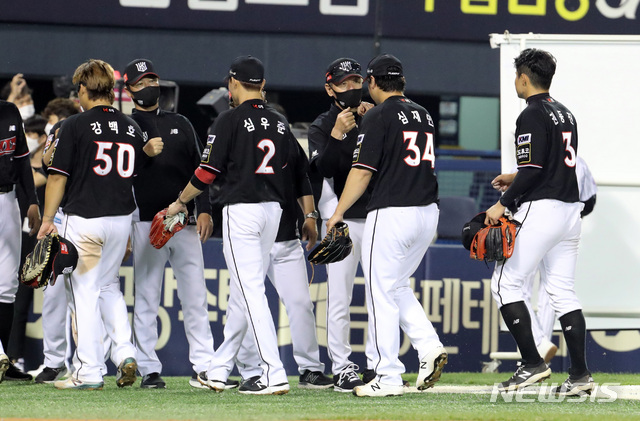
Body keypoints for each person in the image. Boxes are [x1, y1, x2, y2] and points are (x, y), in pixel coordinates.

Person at [165, 55, 306, 395]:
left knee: (250, 292)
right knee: (246, 292)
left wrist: (181, 200)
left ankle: (273, 372)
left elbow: (206, 173)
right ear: (263, 85)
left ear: (234, 82)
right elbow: (292, 171)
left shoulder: (227, 120)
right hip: (273, 210)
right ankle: (219, 369)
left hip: (242, 210)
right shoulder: (279, 123)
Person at [326, 53, 448, 397]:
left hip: (394, 212)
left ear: (372, 83)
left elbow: (362, 171)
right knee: (394, 286)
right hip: (428, 213)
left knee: (380, 292)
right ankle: (427, 346)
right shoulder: (423, 113)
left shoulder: (378, 116)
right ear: (403, 82)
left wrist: (337, 213)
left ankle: (387, 375)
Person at [485, 48, 593, 395]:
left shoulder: (531, 114)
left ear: (524, 77)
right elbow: (549, 165)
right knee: (563, 292)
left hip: (542, 209)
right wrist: (514, 176)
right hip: (569, 212)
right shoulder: (566, 113)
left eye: (517, 74)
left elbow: (533, 170)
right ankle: (580, 376)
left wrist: (503, 203)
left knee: (504, 284)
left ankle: (532, 363)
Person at [37, 59, 147, 390]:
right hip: (121, 218)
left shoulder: (74, 125)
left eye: (79, 89)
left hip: (85, 219)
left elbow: (56, 176)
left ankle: (89, 370)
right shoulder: (132, 127)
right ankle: (126, 352)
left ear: (84, 89)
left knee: (84, 293)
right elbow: (132, 180)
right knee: (109, 286)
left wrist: (46, 220)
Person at [121, 58, 221, 390]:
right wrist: (141, 151)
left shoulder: (180, 121)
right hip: (146, 220)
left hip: (185, 219)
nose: (149, 85)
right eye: (141, 81)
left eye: (152, 78)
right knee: (147, 296)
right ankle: (149, 368)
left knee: (195, 295)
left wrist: (204, 209)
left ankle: (204, 365)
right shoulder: (127, 126)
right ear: (130, 89)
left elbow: (201, 167)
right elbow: (119, 176)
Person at [234, 103, 330, 390]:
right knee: (246, 305)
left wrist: (310, 216)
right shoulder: (241, 144)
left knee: (300, 303)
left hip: (286, 238)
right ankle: (251, 370)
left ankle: (310, 368)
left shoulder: (285, 139)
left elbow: (303, 177)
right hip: (251, 240)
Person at [307, 57, 374, 392]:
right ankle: (343, 366)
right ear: (329, 87)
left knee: (381, 295)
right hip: (342, 219)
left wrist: (365, 120)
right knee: (339, 298)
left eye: (356, 81)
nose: (352, 88)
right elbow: (322, 171)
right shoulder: (322, 125)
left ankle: (378, 363)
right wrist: (336, 134)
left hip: (376, 215)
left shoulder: (374, 114)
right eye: (345, 83)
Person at [0, 99, 41, 383]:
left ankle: (5, 360)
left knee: (6, 285)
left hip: (7, 199)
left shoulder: (9, 111)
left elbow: (22, 159)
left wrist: (32, 202)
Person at [7, 115, 49, 373]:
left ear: (42, 137)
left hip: (43, 236)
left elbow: (32, 181)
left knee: (35, 298)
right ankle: (12, 357)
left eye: (32, 134)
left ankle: (23, 357)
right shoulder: (21, 162)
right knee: (14, 294)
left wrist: (19, 165)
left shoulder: (48, 163)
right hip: (20, 233)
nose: (28, 139)